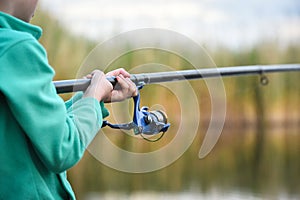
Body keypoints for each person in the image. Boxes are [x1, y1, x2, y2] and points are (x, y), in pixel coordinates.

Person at [0, 0, 137, 199]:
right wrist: (93, 96)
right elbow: (64, 148)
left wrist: (90, 97)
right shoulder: (17, 47)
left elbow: (30, 128)